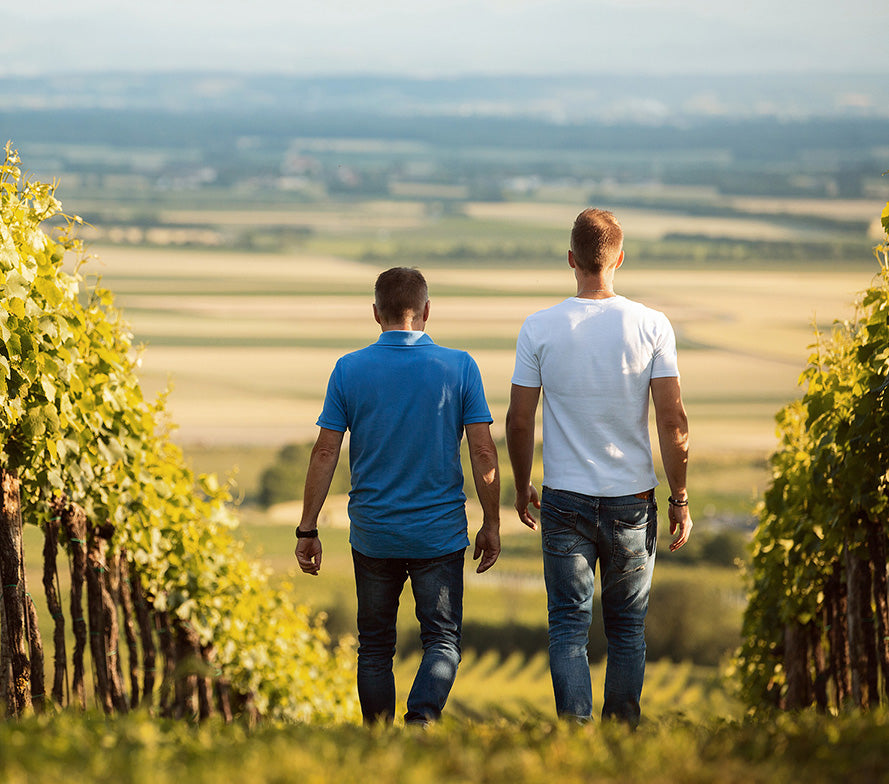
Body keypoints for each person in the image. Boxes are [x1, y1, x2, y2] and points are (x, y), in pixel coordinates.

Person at [505, 208, 692, 726]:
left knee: (568, 625)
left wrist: (521, 487)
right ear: (620, 259)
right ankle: (621, 737)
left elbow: (518, 420)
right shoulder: (652, 325)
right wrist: (679, 498)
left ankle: (573, 734)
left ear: (571, 259)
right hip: (633, 499)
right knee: (627, 628)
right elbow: (672, 419)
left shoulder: (538, 327)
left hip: (563, 497)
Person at [295, 266, 501, 726]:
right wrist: (491, 522)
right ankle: (421, 722)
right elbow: (483, 451)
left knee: (374, 647)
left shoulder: (348, 369)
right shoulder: (460, 367)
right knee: (442, 641)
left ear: (375, 313)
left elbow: (325, 451)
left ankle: (378, 741)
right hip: (439, 534)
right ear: (427, 311)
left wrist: (307, 528)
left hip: (374, 533)